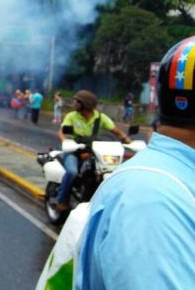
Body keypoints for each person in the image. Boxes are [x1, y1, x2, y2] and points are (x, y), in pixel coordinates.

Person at [74, 37, 195, 289]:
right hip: (80, 152)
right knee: (69, 174)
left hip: (105, 151)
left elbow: (115, 131)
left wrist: (125, 138)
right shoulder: (154, 201)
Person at [55, 90, 131, 212]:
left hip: (93, 151)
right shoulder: (72, 116)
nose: (74, 103)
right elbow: (61, 132)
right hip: (73, 150)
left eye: (77, 101)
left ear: (85, 104)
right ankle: (61, 200)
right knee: (72, 171)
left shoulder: (100, 117)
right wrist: (65, 142)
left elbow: (117, 132)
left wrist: (130, 143)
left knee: (107, 170)